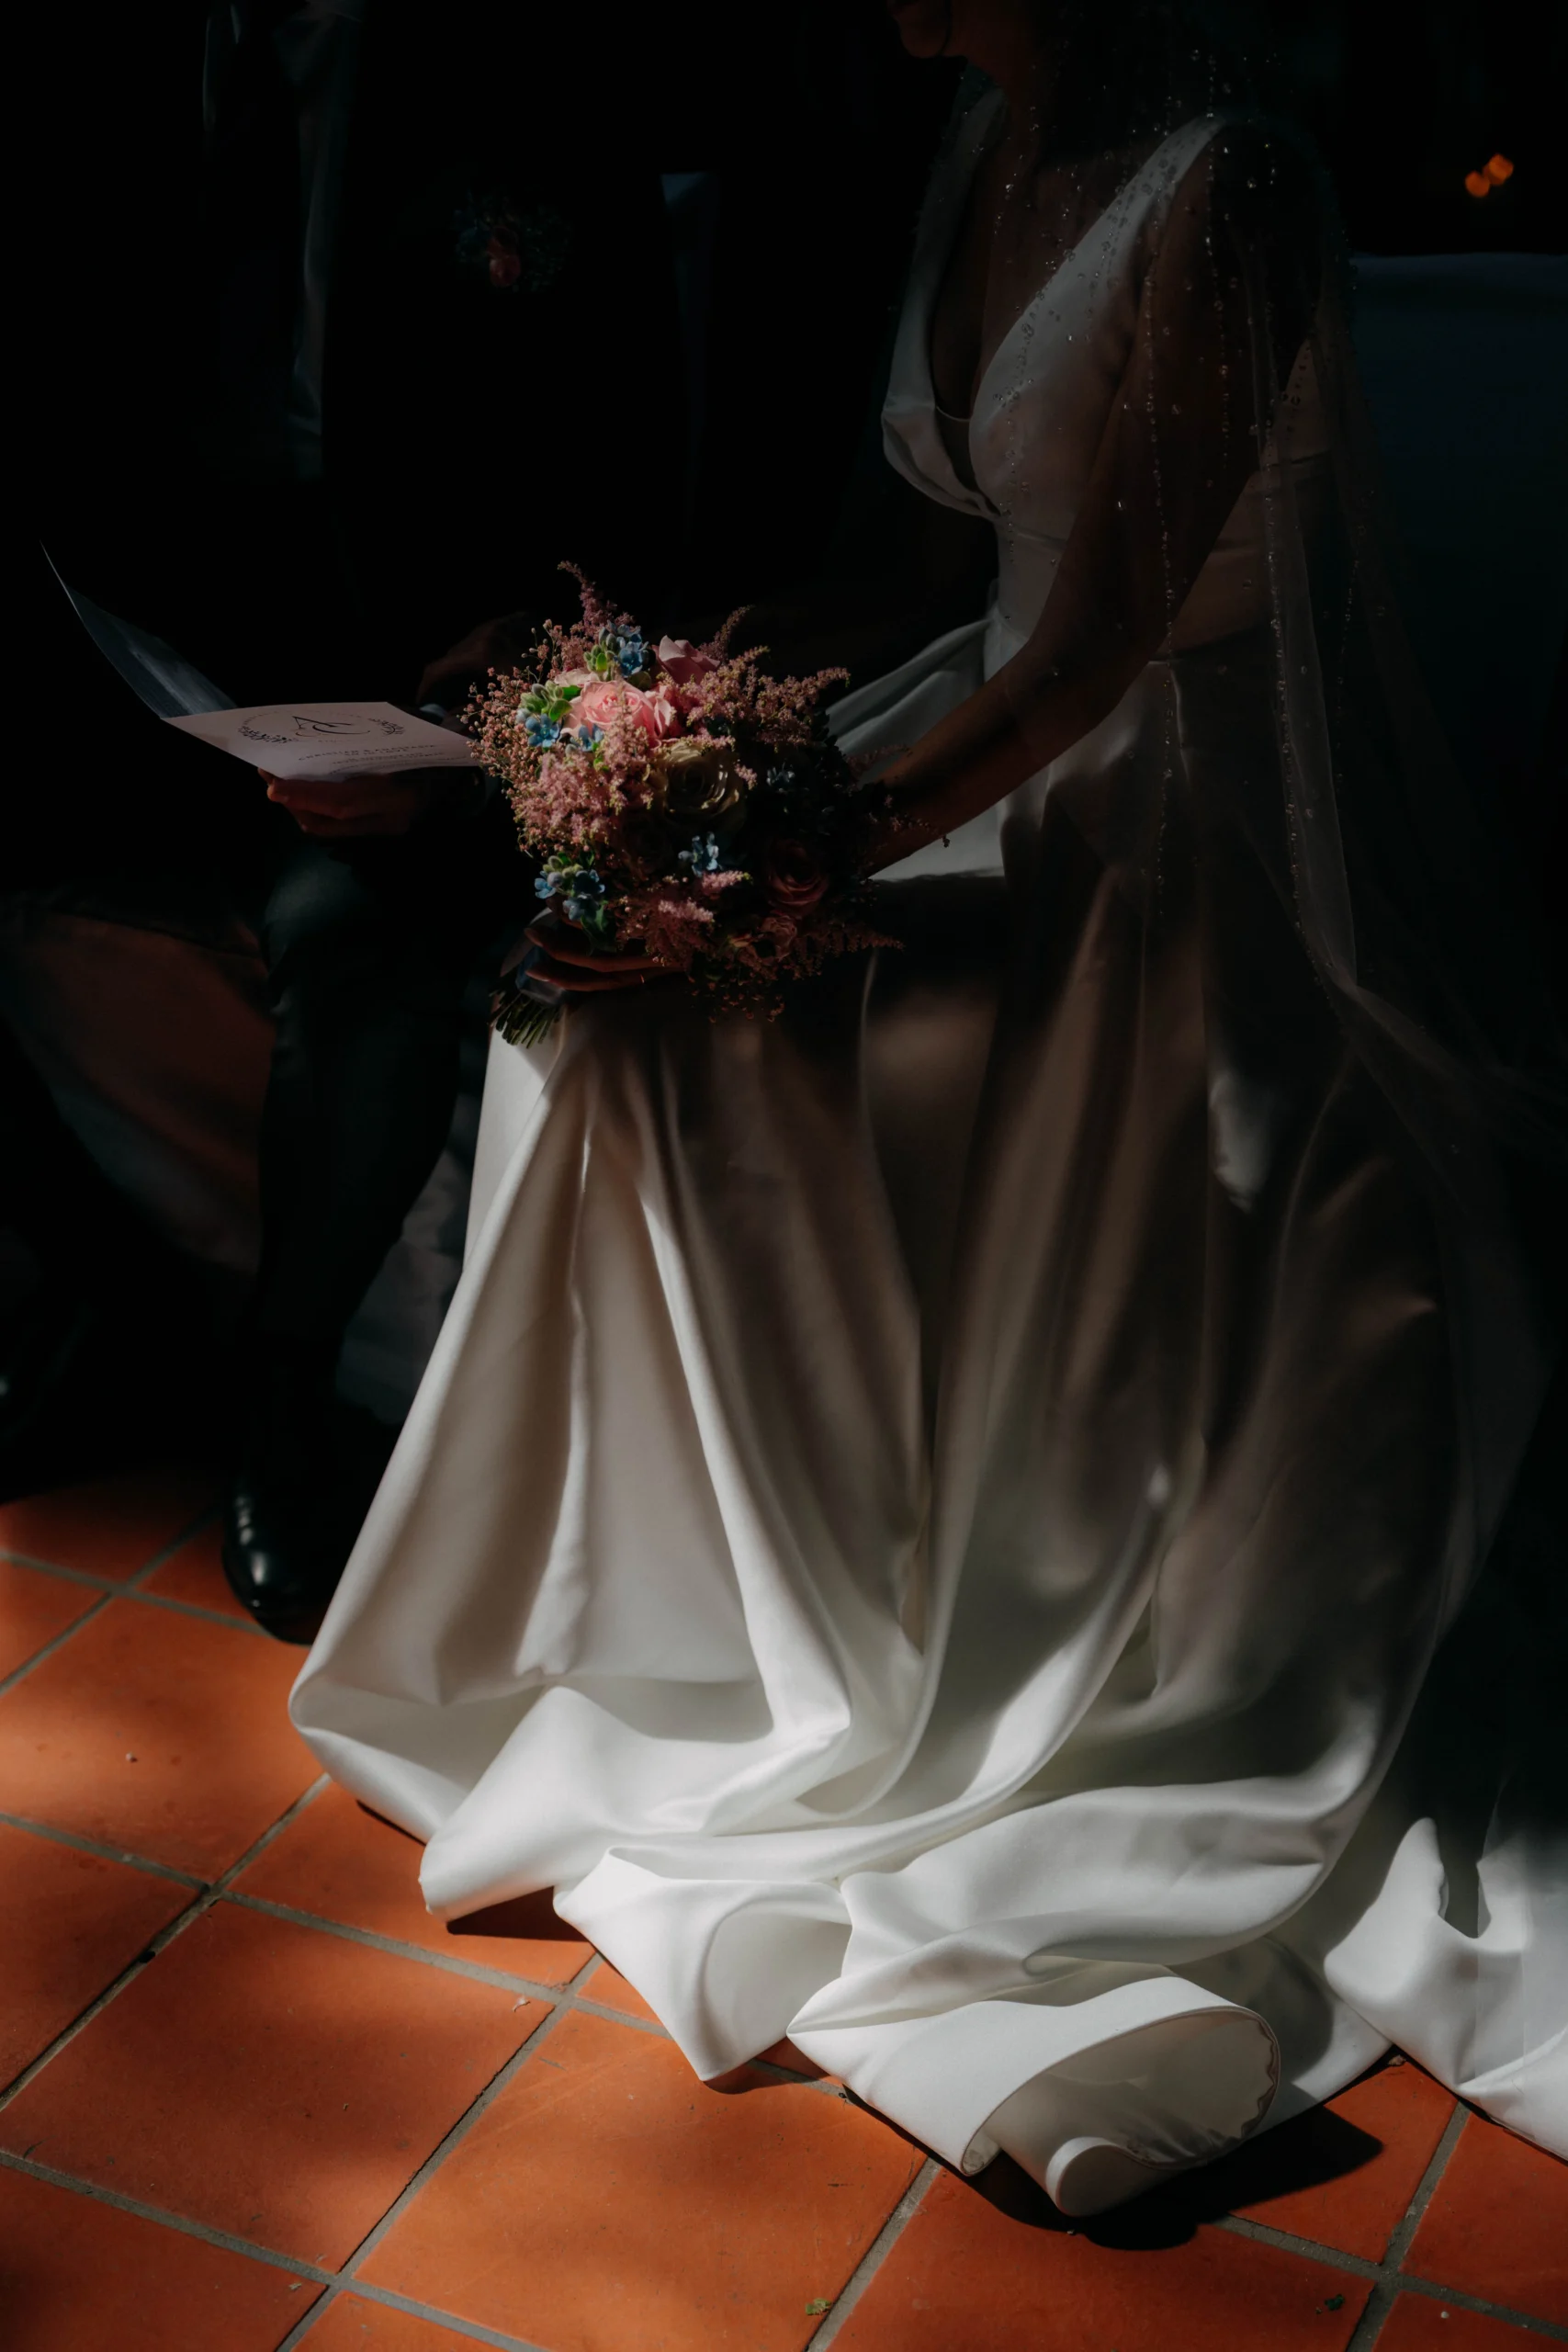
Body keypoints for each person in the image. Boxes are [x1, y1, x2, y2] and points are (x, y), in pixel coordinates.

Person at [294, 0, 1568, 2210]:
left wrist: (768, 861)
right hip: (969, 738)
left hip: (1179, 833)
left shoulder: (1234, 186)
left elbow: (1099, 649)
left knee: (706, 1009)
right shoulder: (983, 131)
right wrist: (693, 681)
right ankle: (690, 1616)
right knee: (607, 1016)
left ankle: (847, 1656)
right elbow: (958, 561)